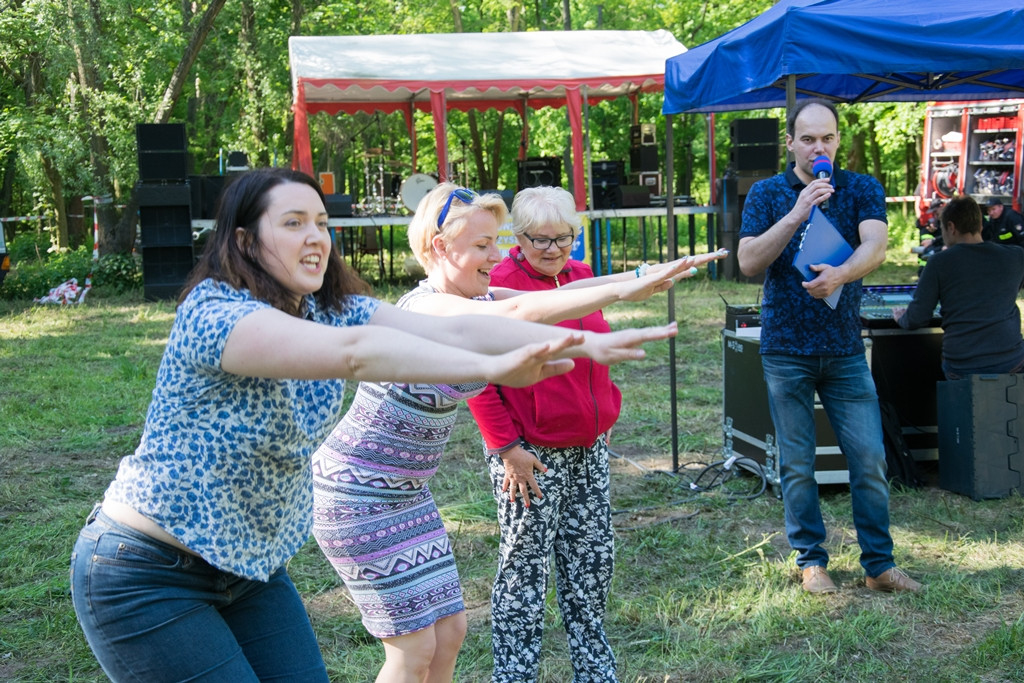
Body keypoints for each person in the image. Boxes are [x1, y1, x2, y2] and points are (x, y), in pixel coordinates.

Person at [69, 168, 677, 683]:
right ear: (244, 239)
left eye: (322, 224)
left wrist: (595, 324)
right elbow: (355, 352)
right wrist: (493, 367)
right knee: (412, 648)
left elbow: (470, 323)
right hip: (147, 569)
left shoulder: (330, 307)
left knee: (446, 633)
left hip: (251, 570)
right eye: (293, 223)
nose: (316, 238)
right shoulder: (214, 313)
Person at [311, 182, 723, 682]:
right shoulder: (427, 307)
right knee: (414, 650)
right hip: (357, 494)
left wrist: (639, 277)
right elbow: (515, 312)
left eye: (496, 242)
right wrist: (610, 307)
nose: (499, 254)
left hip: (407, 494)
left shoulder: (473, 293)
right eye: (483, 245)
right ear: (441, 247)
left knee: (450, 635)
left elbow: (557, 294)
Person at [460, 186, 718, 682]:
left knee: (591, 561)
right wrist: (507, 448)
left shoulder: (581, 278)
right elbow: (478, 377)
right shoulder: (497, 285)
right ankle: (515, 675)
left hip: (588, 448)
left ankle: (595, 671)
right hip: (529, 453)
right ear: (517, 237)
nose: (553, 250)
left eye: (564, 239)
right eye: (540, 240)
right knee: (524, 568)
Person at [736, 99, 922, 595]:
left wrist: (842, 273)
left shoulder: (861, 187)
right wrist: (798, 212)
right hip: (786, 349)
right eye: (810, 139)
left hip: (843, 350)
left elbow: (876, 246)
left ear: (838, 140)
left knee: (869, 458)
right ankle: (811, 562)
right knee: (797, 462)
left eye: (829, 138)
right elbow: (748, 261)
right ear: (791, 143)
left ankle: (879, 565)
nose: (820, 148)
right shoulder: (768, 192)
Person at [893, 196, 1024, 379]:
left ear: (951, 228)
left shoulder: (939, 262)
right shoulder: (1016, 257)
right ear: (980, 225)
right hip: (1011, 360)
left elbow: (917, 318)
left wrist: (901, 318)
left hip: (962, 363)